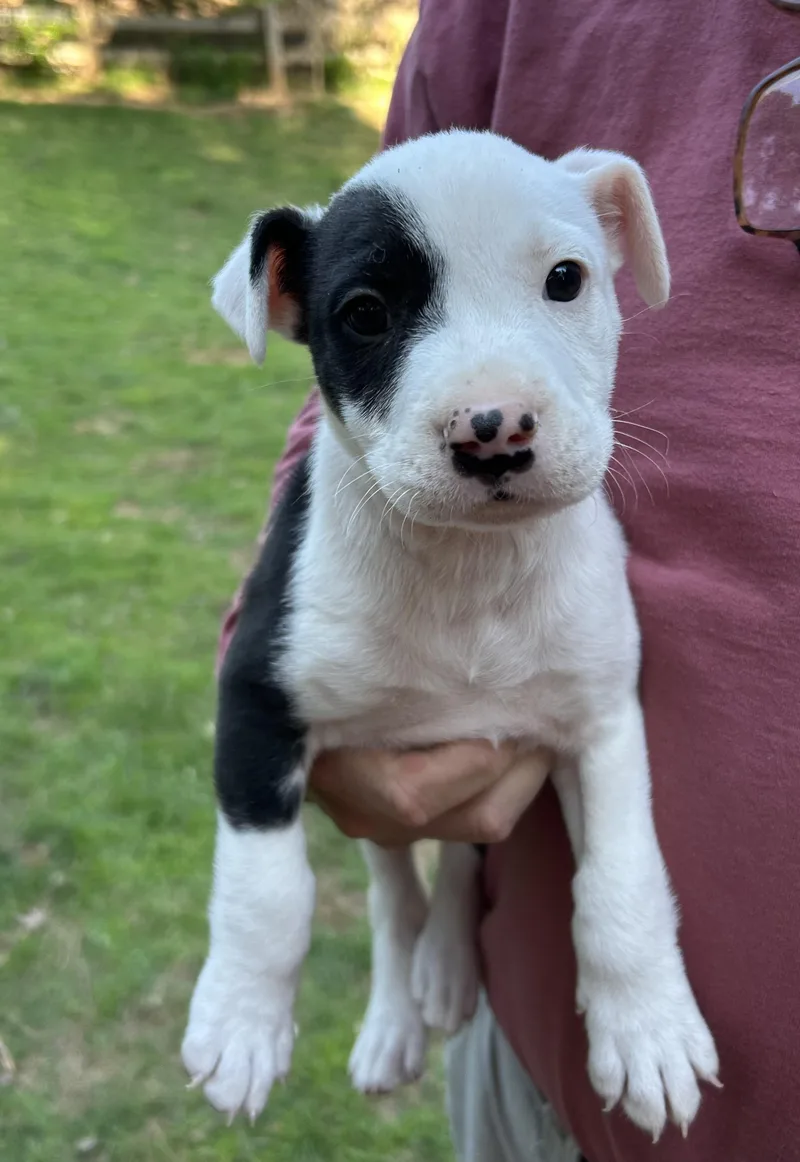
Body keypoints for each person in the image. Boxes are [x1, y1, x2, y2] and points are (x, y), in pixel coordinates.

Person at [217, 2, 800, 1159]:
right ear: (283, 304)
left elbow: (595, 723)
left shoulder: (593, 192)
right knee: (396, 793)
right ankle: (409, 951)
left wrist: (626, 955)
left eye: (562, 281)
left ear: (620, 230)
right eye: (376, 315)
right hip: (545, 1067)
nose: (491, 419)